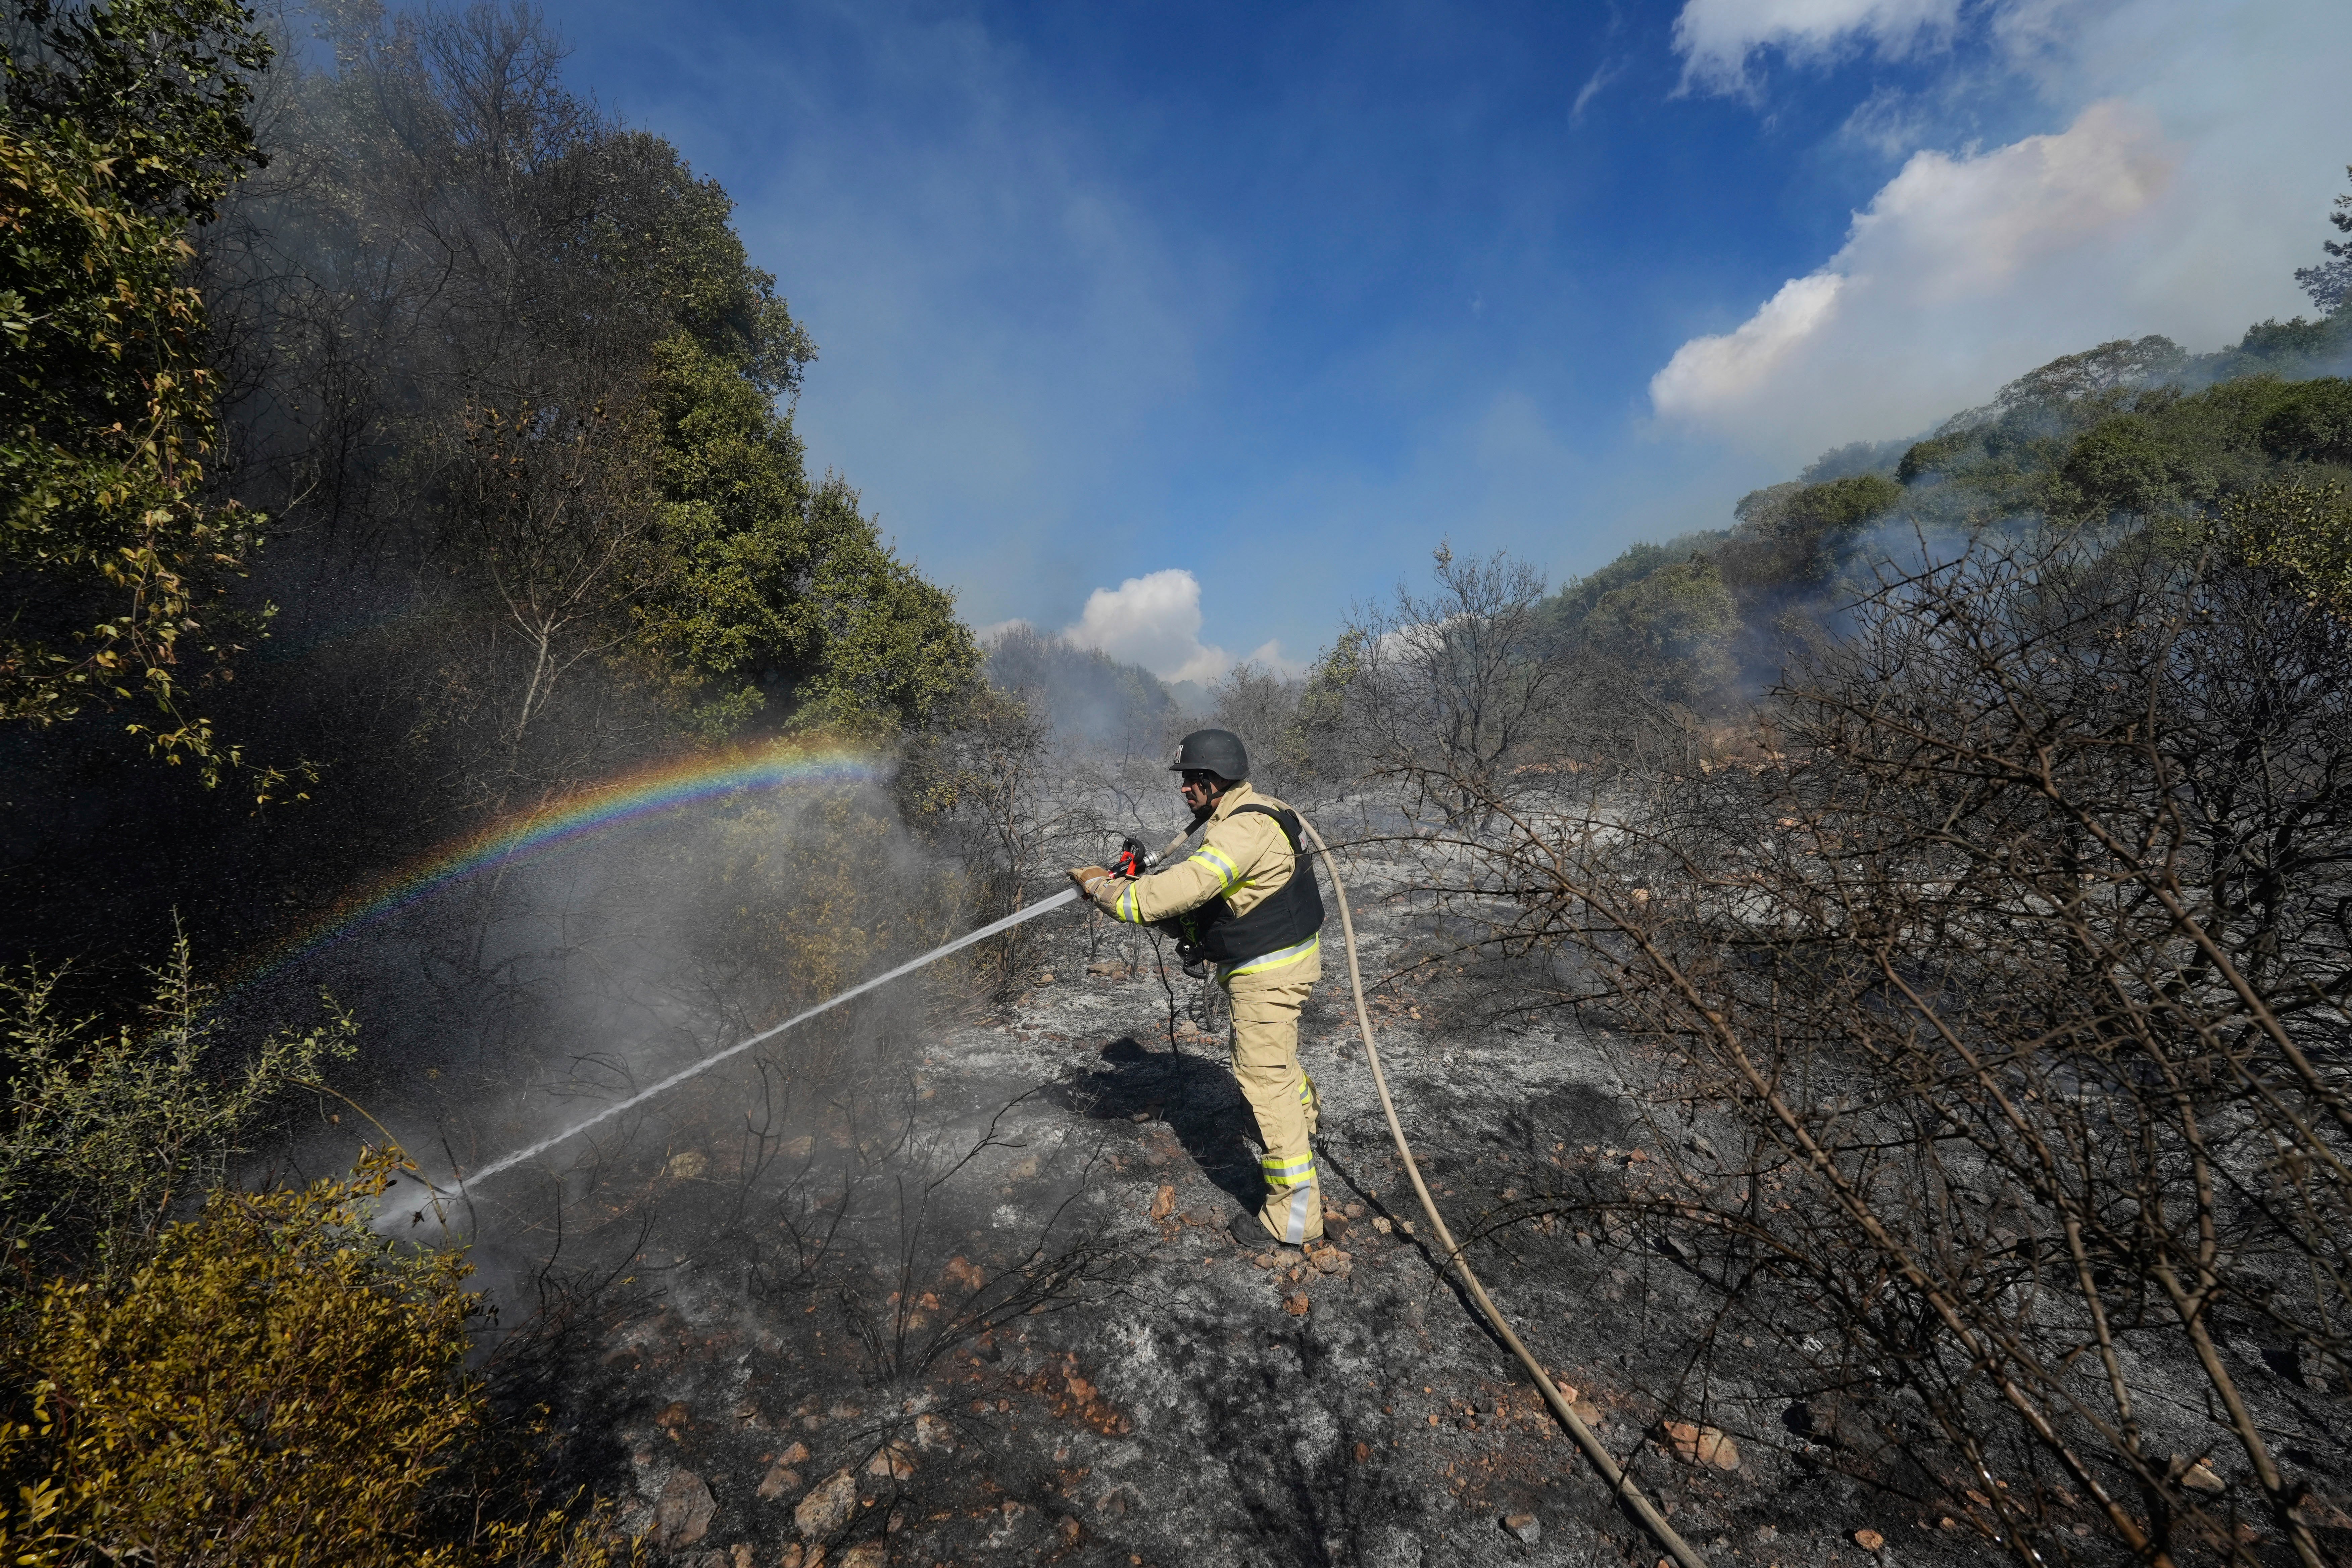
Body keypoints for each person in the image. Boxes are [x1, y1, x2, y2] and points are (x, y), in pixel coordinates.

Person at [1068, 729, 1329, 1248]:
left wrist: (1108, 890)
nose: (1184, 789)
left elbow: (1182, 890)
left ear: (1215, 779)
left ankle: (1294, 1221)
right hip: (1283, 962)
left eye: (1192, 779)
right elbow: (1221, 895)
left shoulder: (1243, 830)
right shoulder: (1257, 809)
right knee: (1275, 1060)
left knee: (1264, 1079)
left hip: (1268, 972)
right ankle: (1309, 1121)